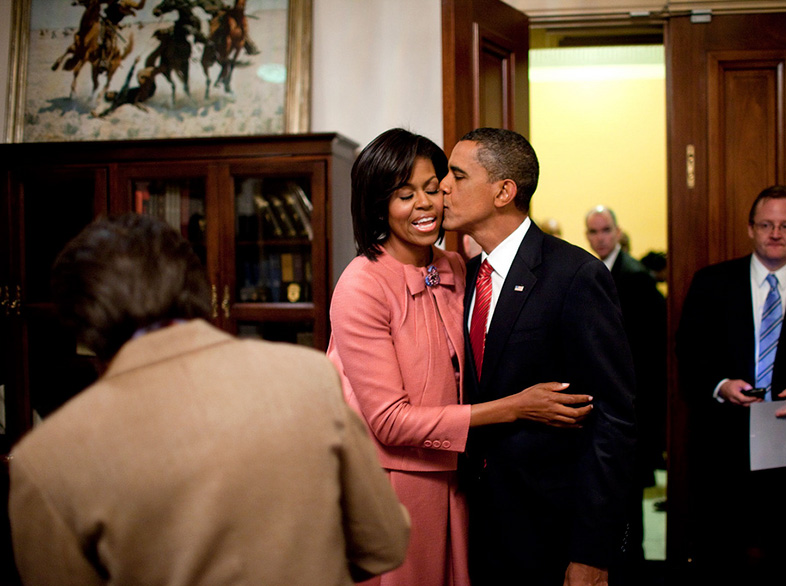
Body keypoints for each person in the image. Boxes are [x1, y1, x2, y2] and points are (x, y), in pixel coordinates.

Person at [8, 213, 410, 586]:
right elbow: (384, 543)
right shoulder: (309, 377)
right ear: (198, 287)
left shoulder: (45, 459)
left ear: (82, 326)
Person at [326, 128, 594, 586]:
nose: (426, 204)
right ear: (378, 205)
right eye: (405, 195)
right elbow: (390, 421)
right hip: (396, 486)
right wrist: (515, 407)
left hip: (464, 483)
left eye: (433, 188)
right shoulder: (361, 285)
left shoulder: (454, 268)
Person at [439, 127, 638, 586]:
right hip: (477, 525)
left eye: (458, 175)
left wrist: (592, 552)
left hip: (551, 530)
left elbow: (614, 421)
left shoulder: (575, 275)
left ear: (504, 191)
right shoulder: (466, 276)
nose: (443, 187)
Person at [677, 185, 786, 586]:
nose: (775, 233)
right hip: (725, 447)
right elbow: (688, 352)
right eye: (766, 224)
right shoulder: (711, 283)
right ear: (750, 228)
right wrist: (721, 385)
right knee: (721, 561)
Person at [585, 205, 667, 581]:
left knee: (628, 495)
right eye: (593, 231)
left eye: (605, 230)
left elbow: (650, 351)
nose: (600, 237)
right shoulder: (594, 270)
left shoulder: (635, 277)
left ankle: (632, 568)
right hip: (607, 402)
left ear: (618, 232)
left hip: (632, 403)